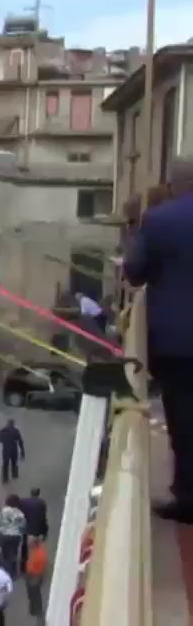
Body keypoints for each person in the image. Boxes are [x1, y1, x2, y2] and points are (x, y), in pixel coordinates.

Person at [124, 157, 193, 523]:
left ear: (173, 184)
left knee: (183, 421)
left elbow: (135, 273)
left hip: (178, 342)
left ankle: (187, 497)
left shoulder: (160, 220)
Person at [0, 495, 26, 577]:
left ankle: (6, 571)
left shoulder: (3, 511)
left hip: (5, 535)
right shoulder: (20, 513)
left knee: (5, 554)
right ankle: (13, 573)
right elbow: (23, 525)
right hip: (15, 536)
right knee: (13, 554)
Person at [25, 535, 48, 621]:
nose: (28, 545)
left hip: (35, 576)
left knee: (35, 593)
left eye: (29, 544)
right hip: (32, 575)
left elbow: (41, 568)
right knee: (31, 593)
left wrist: (38, 577)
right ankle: (33, 609)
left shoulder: (40, 555)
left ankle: (38, 610)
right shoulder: (36, 550)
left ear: (34, 544)